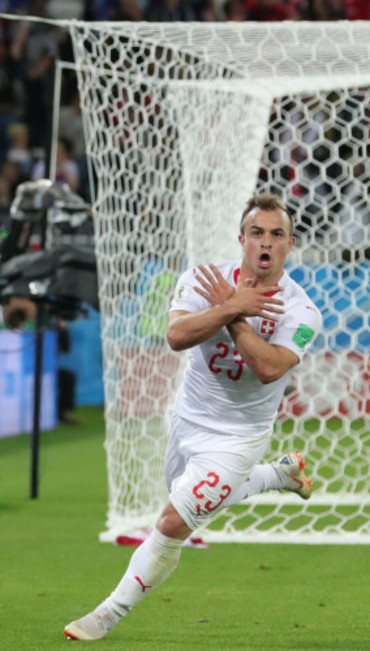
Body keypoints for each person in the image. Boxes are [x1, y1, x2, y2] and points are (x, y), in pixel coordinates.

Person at [63, 193, 323, 641]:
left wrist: (235, 313)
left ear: (290, 244)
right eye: (257, 233)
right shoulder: (203, 280)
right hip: (187, 420)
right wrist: (229, 305)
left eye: (276, 235)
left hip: (239, 437)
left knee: (171, 523)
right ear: (241, 239)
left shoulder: (302, 310)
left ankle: (105, 615)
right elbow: (177, 336)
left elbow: (268, 368)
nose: (266, 242)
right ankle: (280, 476)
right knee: (189, 500)